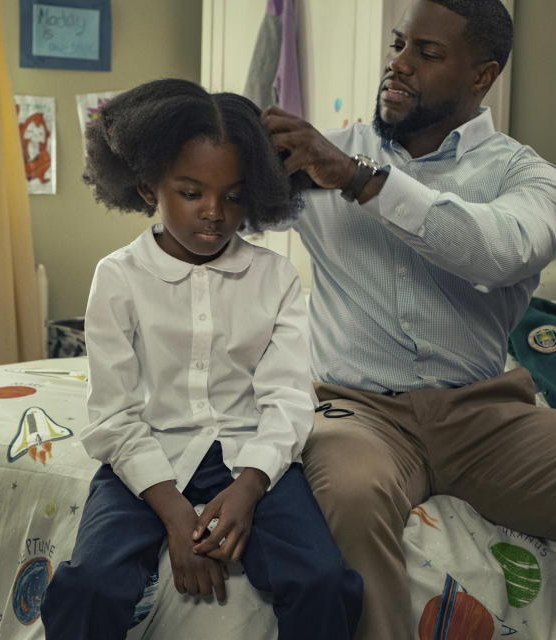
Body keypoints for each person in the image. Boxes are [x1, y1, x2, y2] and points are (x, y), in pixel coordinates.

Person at [260, 1, 556, 639]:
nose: (398, 63)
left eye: (427, 54)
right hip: (358, 408)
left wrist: (359, 181)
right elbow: (220, 215)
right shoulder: (321, 156)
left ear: (481, 77)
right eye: (400, 44)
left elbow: (499, 253)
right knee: (347, 498)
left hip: (484, 416)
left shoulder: (527, 176)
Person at [38, 78, 364, 639]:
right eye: (191, 192)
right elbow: (113, 415)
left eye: (234, 195)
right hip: (146, 462)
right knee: (89, 585)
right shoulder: (117, 278)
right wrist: (176, 517)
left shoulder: (276, 279)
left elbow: (289, 398)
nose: (214, 212)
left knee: (322, 581)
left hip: (249, 457)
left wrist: (249, 487)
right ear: (148, 187)